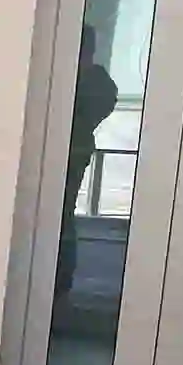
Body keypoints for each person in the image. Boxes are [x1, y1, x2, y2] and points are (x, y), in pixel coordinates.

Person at [57, 25, 121, 300]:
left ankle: (60, 281)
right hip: (72, 150)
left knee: (60, 216)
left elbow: (85, 114)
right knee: (60, 216)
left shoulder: (92, 80)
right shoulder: (93, 80)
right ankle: (59, 280)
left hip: (71, 152)